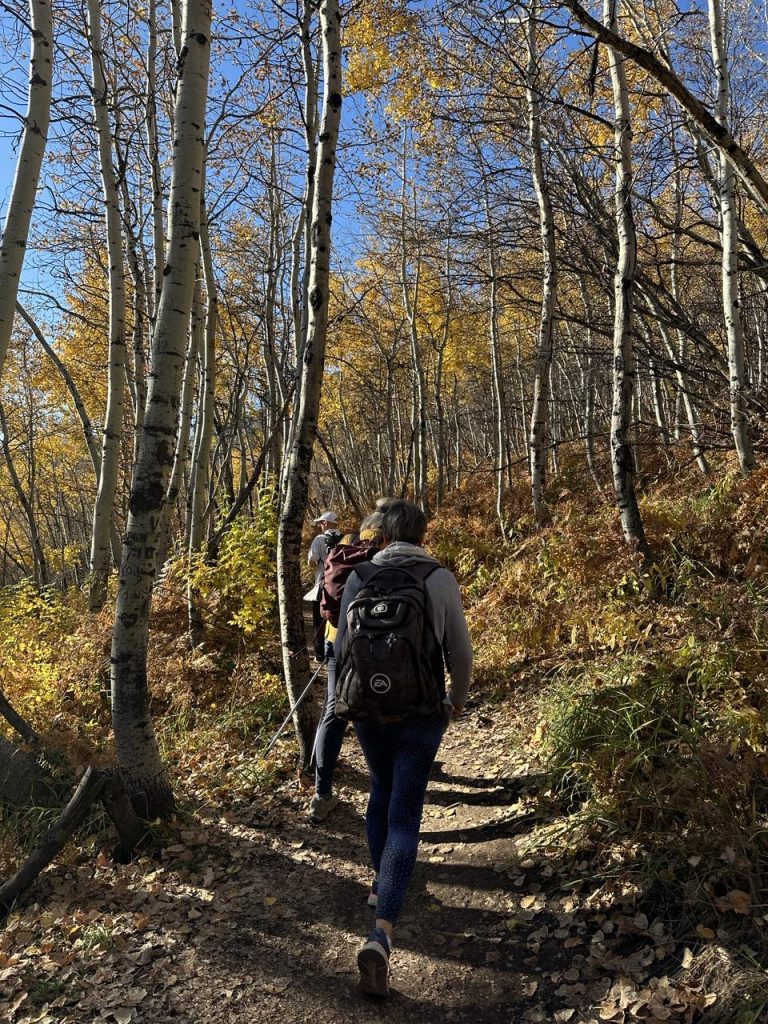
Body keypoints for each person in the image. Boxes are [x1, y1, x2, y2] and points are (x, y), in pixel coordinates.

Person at [334, 499, 473, 997]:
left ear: (386, 532)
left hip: (367, 709)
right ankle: (383, 932)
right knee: (405, 813)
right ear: (422, 531)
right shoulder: (438, 578)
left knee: (380, 788)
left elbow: (342, 650)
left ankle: (379, 886)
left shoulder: (360, 575)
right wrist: (454, 702)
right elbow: (460, 652)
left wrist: (338, 698)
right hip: (420, 712)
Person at [309, 509, 386, 824]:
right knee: (376, 711)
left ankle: (321, 793)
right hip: (367, 643)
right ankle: (384, 790)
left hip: (334, 640)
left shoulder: (340, 551)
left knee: (333, 711)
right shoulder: (378, 559)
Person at [306, 511, 342, 660]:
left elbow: (312, 561)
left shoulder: (319, 539)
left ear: (326, 523)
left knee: (319, 620)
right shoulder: (346, 539)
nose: (320, 525)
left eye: (321, 522)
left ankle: (320, 654)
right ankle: (338, 651)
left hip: (322, 584)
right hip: (340, 585)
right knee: (338, 618)